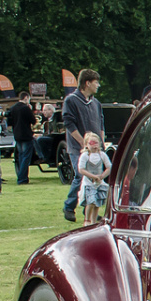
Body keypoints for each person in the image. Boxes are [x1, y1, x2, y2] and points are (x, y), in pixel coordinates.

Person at [61, 69, 104, 222]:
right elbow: (69, 123)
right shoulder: (71, 100)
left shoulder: (96, 103)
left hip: (95, 148)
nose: (98, 85)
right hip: (77, 147)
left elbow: (100, 123)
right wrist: (82, 142)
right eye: (96, 82)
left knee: (95, 179)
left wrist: (101, 142)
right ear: (87, 83)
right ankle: (69, 206)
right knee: (81, 175)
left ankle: (90, 208)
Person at [75, 131, 110, 225]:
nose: (94, 146)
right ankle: (87, 220)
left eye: (96, 143)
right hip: (88, 183)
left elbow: (109, 167)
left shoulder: (102, 155)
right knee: (91, 202)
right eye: (91, 143)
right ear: (86, 144)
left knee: (97, 203)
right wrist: (93, 176)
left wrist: (102, 176)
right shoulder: (85, 155)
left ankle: (94, 221)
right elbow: (81, 169)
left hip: (99, 183)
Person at [6, 92, 37, 185]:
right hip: (26, 134)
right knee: (26, 157)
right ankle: (22, 178)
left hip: (17, 135)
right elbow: (33, 120)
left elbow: (10, 122)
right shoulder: (25, 108)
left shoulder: (13, 108)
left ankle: (21, 176)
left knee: (20, 156)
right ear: (26, 98)